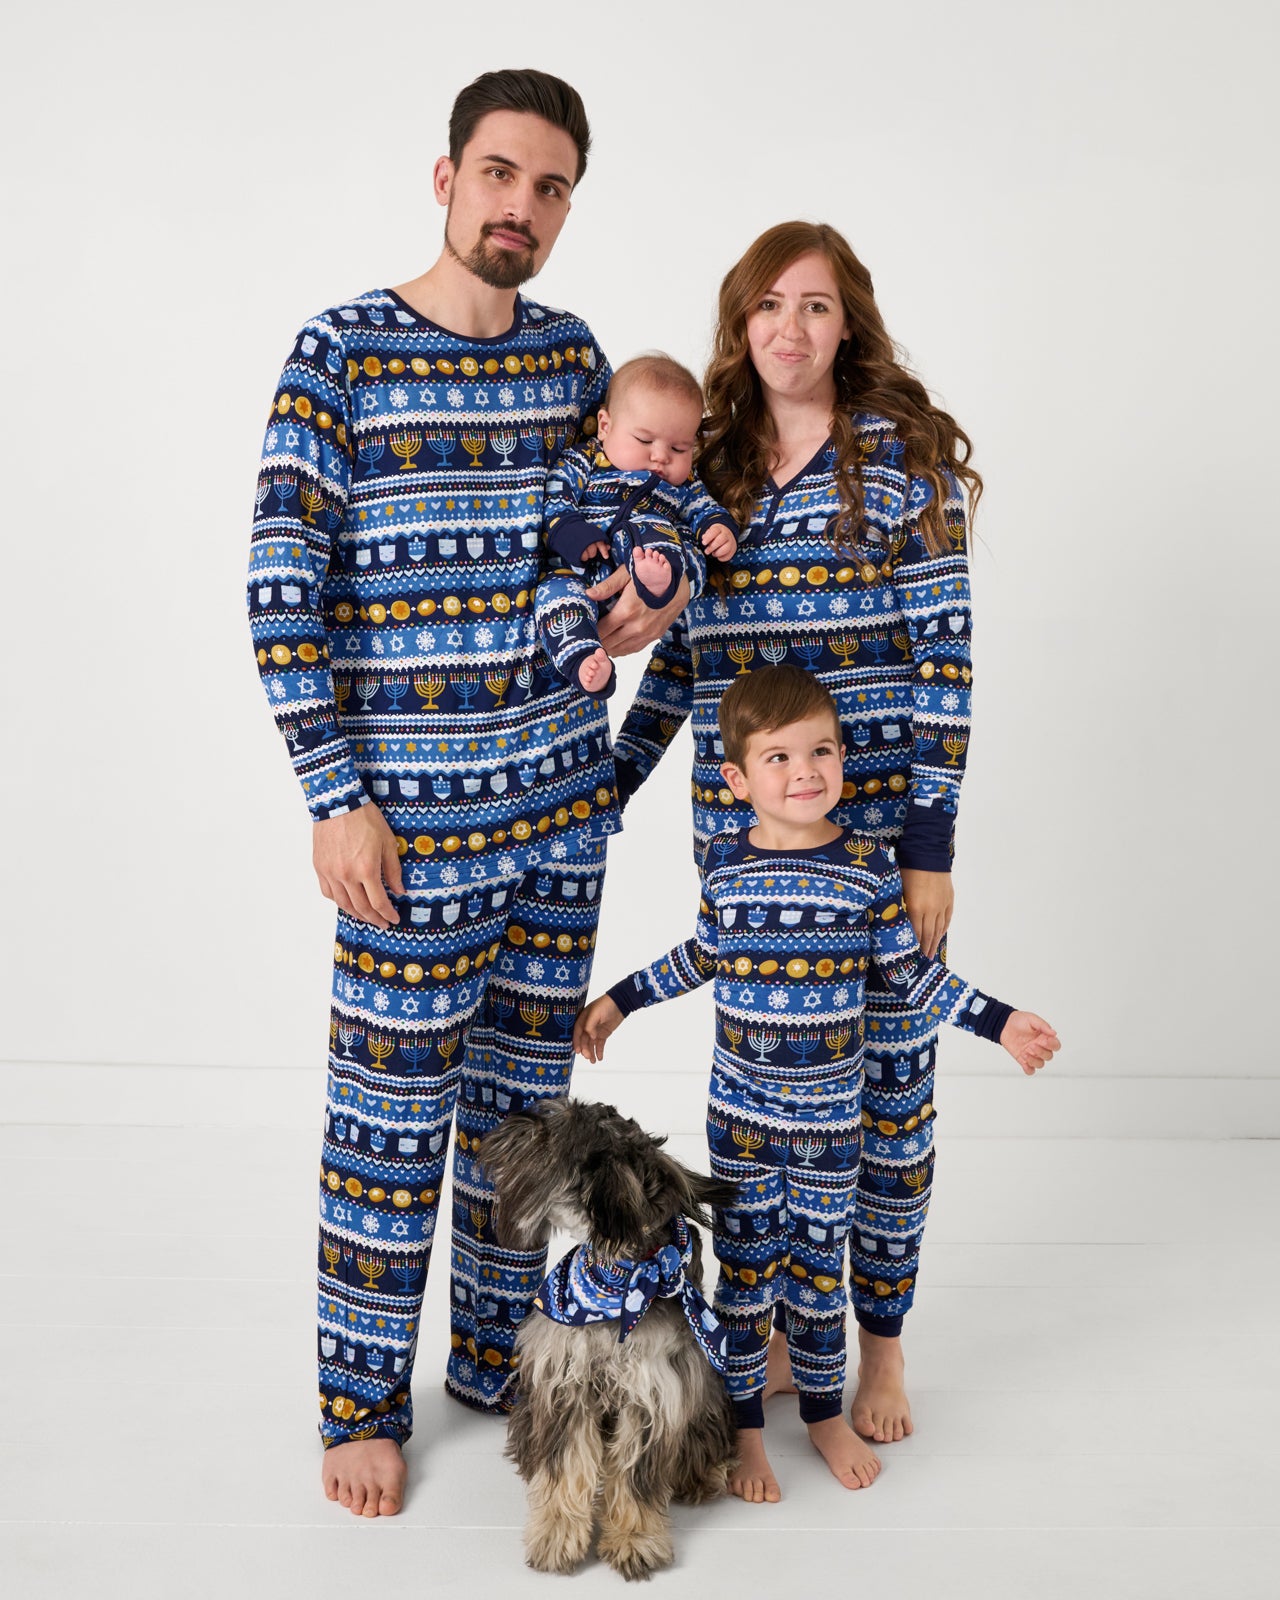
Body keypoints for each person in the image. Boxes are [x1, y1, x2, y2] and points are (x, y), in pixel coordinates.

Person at [247, 68, 689, 1519]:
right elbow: (278, 589)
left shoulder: (575, 358)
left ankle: (498, 1361)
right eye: (500, 174)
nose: (523, 207)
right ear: (446, 178)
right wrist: (333, 795)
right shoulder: (342, 352)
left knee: (519, 1117)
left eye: (552, 186)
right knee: (385, 1122)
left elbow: (627, 529)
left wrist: (643, 605)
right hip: (409, 839)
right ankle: (359, 1404)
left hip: (558, 826)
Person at [612, 220, 985, 1454]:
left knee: (886, 1090)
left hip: (874, 829)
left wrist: (926, 844)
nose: (789, 327)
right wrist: (607, 786)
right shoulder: (705, 469)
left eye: (815, 306)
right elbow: (682, 661)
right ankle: (776, 1320)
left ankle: (875, 1339)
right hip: (740, 833)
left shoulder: (900, 462)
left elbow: (945, 662)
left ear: (848, 323)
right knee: (768, 1090)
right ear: (739, 323)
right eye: (767, 305)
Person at [576, 666, 1059, 1501]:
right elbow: (696, 958)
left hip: (832, 1128)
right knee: (747, 1274)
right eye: (780, 758)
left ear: (843, 757)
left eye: (821, 751)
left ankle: (826, 1415)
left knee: (818, 1276)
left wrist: (1001, 1021)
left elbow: (914, 978)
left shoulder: (867, 871)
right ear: (737, 779)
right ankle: (749, 1434)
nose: (805, 772)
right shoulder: (727, 870)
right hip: (742, 1124)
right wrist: (618, 1002)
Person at [538, 353, 739, 699]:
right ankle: (585, 660)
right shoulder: (586, 460)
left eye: (679, 447)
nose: (661, 456)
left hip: (648, 556)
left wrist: (719, 527)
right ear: (605, 426)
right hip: (580, 574)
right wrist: (572, 533)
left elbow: (703, 508)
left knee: (652, 526)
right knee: (554, 597)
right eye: (645, 441)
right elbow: (557, 496)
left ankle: (656, 580)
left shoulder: (684, 484)